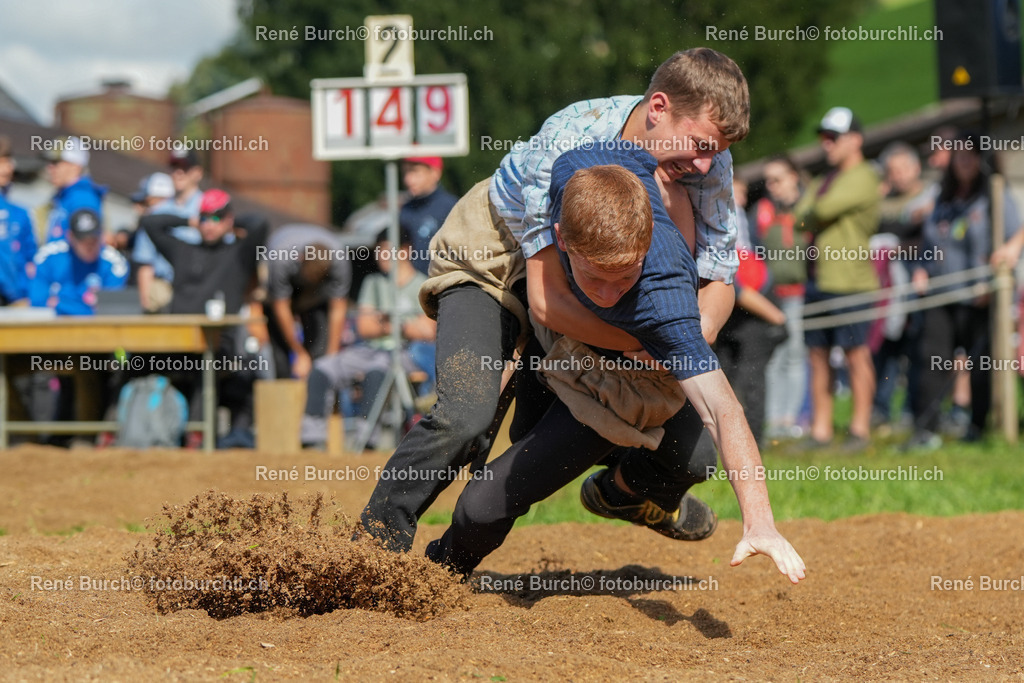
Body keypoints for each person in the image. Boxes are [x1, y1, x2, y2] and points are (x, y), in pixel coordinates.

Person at [361, 48, 747, 554]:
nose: (704, 162)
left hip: (595, 278)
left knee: (689, 454)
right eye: (699, 144)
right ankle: (370, 548)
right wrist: (645, 345)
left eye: (714, 151)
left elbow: (719, 276)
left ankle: (626, 494)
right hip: (498, 260)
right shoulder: (571, 139)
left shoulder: (708, 160)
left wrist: (694, 333)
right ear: (659, 108)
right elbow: (547, 303)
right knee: (467, 416)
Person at [425, 153, 805, 585]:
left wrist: (760, 522)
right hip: (559, 355)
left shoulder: (665, 300)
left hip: (625, 389)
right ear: (560, 238)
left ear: (646, 244)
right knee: (482, 505)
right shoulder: (575, 168)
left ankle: (617, 494)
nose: (608, 294)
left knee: (696, 460)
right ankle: (436, 574)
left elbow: (723, 410)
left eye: (624, 278)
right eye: (593, 278)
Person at [906, 132, 1020, 448]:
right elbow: (929, 241)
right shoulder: (943, 198)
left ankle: (977, 426)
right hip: (941, 295)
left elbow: (1017, 232)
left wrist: (1008, 253)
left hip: (980, 297)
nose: (964, 160)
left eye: (970, 154)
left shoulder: (995, 195)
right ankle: (925, 429)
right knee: (932, 360)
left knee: (981, 364)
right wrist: (920, 269)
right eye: (959, 155)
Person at [142, 189, 268, 445]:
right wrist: (189, 220)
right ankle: (118, 431)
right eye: (205, 218)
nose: (210, 225)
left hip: (219, 345)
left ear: (228, 220)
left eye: (217, 218)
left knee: (205, 365)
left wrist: (231, 222)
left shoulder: (239, 255)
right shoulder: (183, 250)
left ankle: (197, 438)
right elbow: (149, 223)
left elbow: (261, 225)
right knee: (125, 359)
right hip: (177, 343)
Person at [300, 228, 435, 447]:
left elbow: (427, 332)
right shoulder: (373, 283)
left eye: (386, 251)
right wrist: (404, 324)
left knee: (378, 370)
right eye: (379, 251)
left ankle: (366, 441)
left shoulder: (424, 284)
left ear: (405, 251)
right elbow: (364, 327)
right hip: (369, 350)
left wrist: (385, 322)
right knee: (323, 368)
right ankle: (312, 440)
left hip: (408, 354)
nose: (380, 257)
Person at [796, 107, 880, 451]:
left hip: (851, 283)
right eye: (823, 138)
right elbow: (801, 217)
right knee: (817, 355)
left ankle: (860, 429)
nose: (826, 144)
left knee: (855, 355)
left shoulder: (863, 176)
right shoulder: (823, 180)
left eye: (833, 137)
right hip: (817, 281)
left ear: (855, 140)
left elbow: (819, 211)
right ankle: (821, 430)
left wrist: (813, 209)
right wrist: (812, 210)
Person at [871, 142, 937, 431]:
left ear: (916, 168)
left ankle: (913, 411)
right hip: (885, 289)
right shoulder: (880, 202)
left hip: (917, 284)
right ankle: (881, 410)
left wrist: (899, 249)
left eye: (902, 169)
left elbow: (930, 239)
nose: (896, 175)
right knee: (884, 351)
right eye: (891, 171)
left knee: (916, 350)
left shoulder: (931, 197)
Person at [756, 155, 809, 440]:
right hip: (772, 296)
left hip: (801, 294)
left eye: (777, 179)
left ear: (793, 177)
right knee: (774, 356)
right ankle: (774, 420)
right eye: (768, 181)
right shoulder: (763, 210)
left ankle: (790, 420)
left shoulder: (808, 207)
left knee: (795, 355)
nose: (771, 186)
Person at [263, 224, 351, 379]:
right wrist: (299, 352)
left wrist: (331, 356)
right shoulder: (281, 259)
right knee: (281, 354)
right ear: (301, 258)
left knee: (322, 353)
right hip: (286, 283)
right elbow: (281, 308)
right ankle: (283, 387)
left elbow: (338, 309)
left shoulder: (339, 259)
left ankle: (320, 386)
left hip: (318, 294)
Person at [133, 150, 205, 312]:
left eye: (185, 168)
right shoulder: (157, 212)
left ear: (198, 173)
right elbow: (145, 261)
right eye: (174, 167)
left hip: (199, 285)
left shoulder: (208, 207)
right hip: (164, 287)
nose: (178, 173)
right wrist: (147, 304)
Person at [30, 208, 128, 315]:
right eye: (83, 241)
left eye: (94, 240)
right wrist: (86, 307)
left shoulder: (114, 262)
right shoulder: (48, 257)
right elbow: (38, 302)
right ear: (70, 237)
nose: (89, 246)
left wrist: (60, 303)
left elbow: (112, 310)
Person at [39, 136, 104, 244]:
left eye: (56, 163)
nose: (49, 168)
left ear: (75, 166)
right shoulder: (64, 196)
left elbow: (86, 247)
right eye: (49, 163)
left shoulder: (83, 199)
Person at [400, 156, 458, 274]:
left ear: (435, 172)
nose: (408, 179)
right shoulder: (405, 209)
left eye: (415, 172)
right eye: (405, 172)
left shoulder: (451, 207)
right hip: (409, 288)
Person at [0, 136, 37, 305]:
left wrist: (22, 295)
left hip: (15, 299)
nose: (7, 169)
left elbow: (30, 258)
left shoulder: (20, 213)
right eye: (1, 163)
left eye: (8, 163)